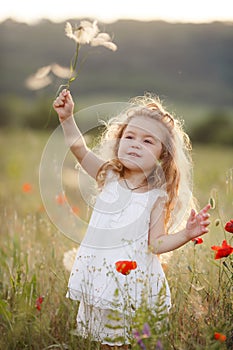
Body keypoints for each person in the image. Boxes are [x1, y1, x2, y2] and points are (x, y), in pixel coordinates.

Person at [53, 89, 211, 349]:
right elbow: (79, 148)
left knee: (127, 342)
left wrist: (186, 234)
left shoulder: (156, 197)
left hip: (133, 282)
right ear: (119, 142)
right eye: (130, 136)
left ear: (163, 154)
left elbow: (156, 244)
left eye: (148, 141)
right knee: (103, 341)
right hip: (103, 276)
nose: (136, 143)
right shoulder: (108, 176)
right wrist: (67, 118)